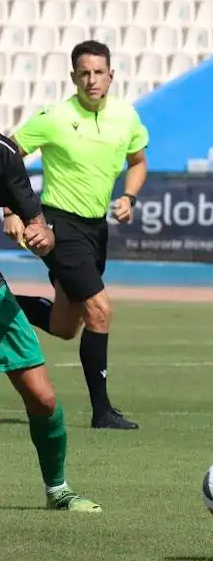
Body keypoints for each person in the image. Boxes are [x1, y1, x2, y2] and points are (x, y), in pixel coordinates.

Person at [3, 40, 148, 429]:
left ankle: (3, 303)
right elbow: (6, 157)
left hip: (96, 229)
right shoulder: (53, 117)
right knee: (100, 311)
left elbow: (138, 161)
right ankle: (102, 413)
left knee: (67, 326)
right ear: (73, 77)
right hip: (57, 226)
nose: (92, 80)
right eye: (84, 73)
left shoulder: (126, 117)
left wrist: (130, 196)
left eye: (99, 72)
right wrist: (10, 209)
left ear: (111, 75)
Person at [0, 133, 101, 512]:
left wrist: (41, 233)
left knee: (42, 398)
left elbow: (33, 217)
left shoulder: (4, 154)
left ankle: (57, 490)